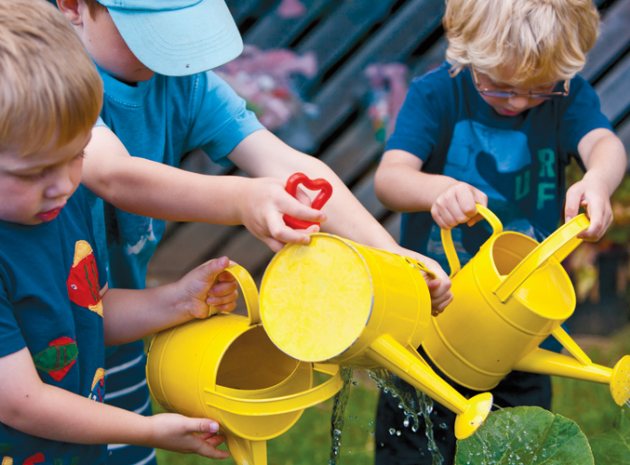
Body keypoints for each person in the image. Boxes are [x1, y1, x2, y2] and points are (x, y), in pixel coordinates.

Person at [54, 1, 454, 463]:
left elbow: (289, 166)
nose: (166, 49)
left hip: (115, 323)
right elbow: (114, 175)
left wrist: (389, 254)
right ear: (73, 6)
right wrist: (242, 201)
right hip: (34, 324)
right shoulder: (54, 79)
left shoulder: (183, 84)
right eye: (147, 31)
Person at [373, 0, 627, 463]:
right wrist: (440, 189)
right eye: (500, 87)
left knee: (519, 448)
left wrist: (598, 180)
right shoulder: (436, 95)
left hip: (522, 332)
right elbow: (389, 178)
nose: (519, 102)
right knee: (413, 446)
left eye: (538, 91)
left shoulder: (569, 97)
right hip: (431, 319)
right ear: (465, 51)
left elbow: (603, 143)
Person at [0, 1, 240, 462]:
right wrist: (146, 430)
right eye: (34, 173)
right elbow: (20, 403)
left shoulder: (57, 210)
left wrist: (176, 300)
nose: (63, 185)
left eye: (76, 157)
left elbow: (90, 309)